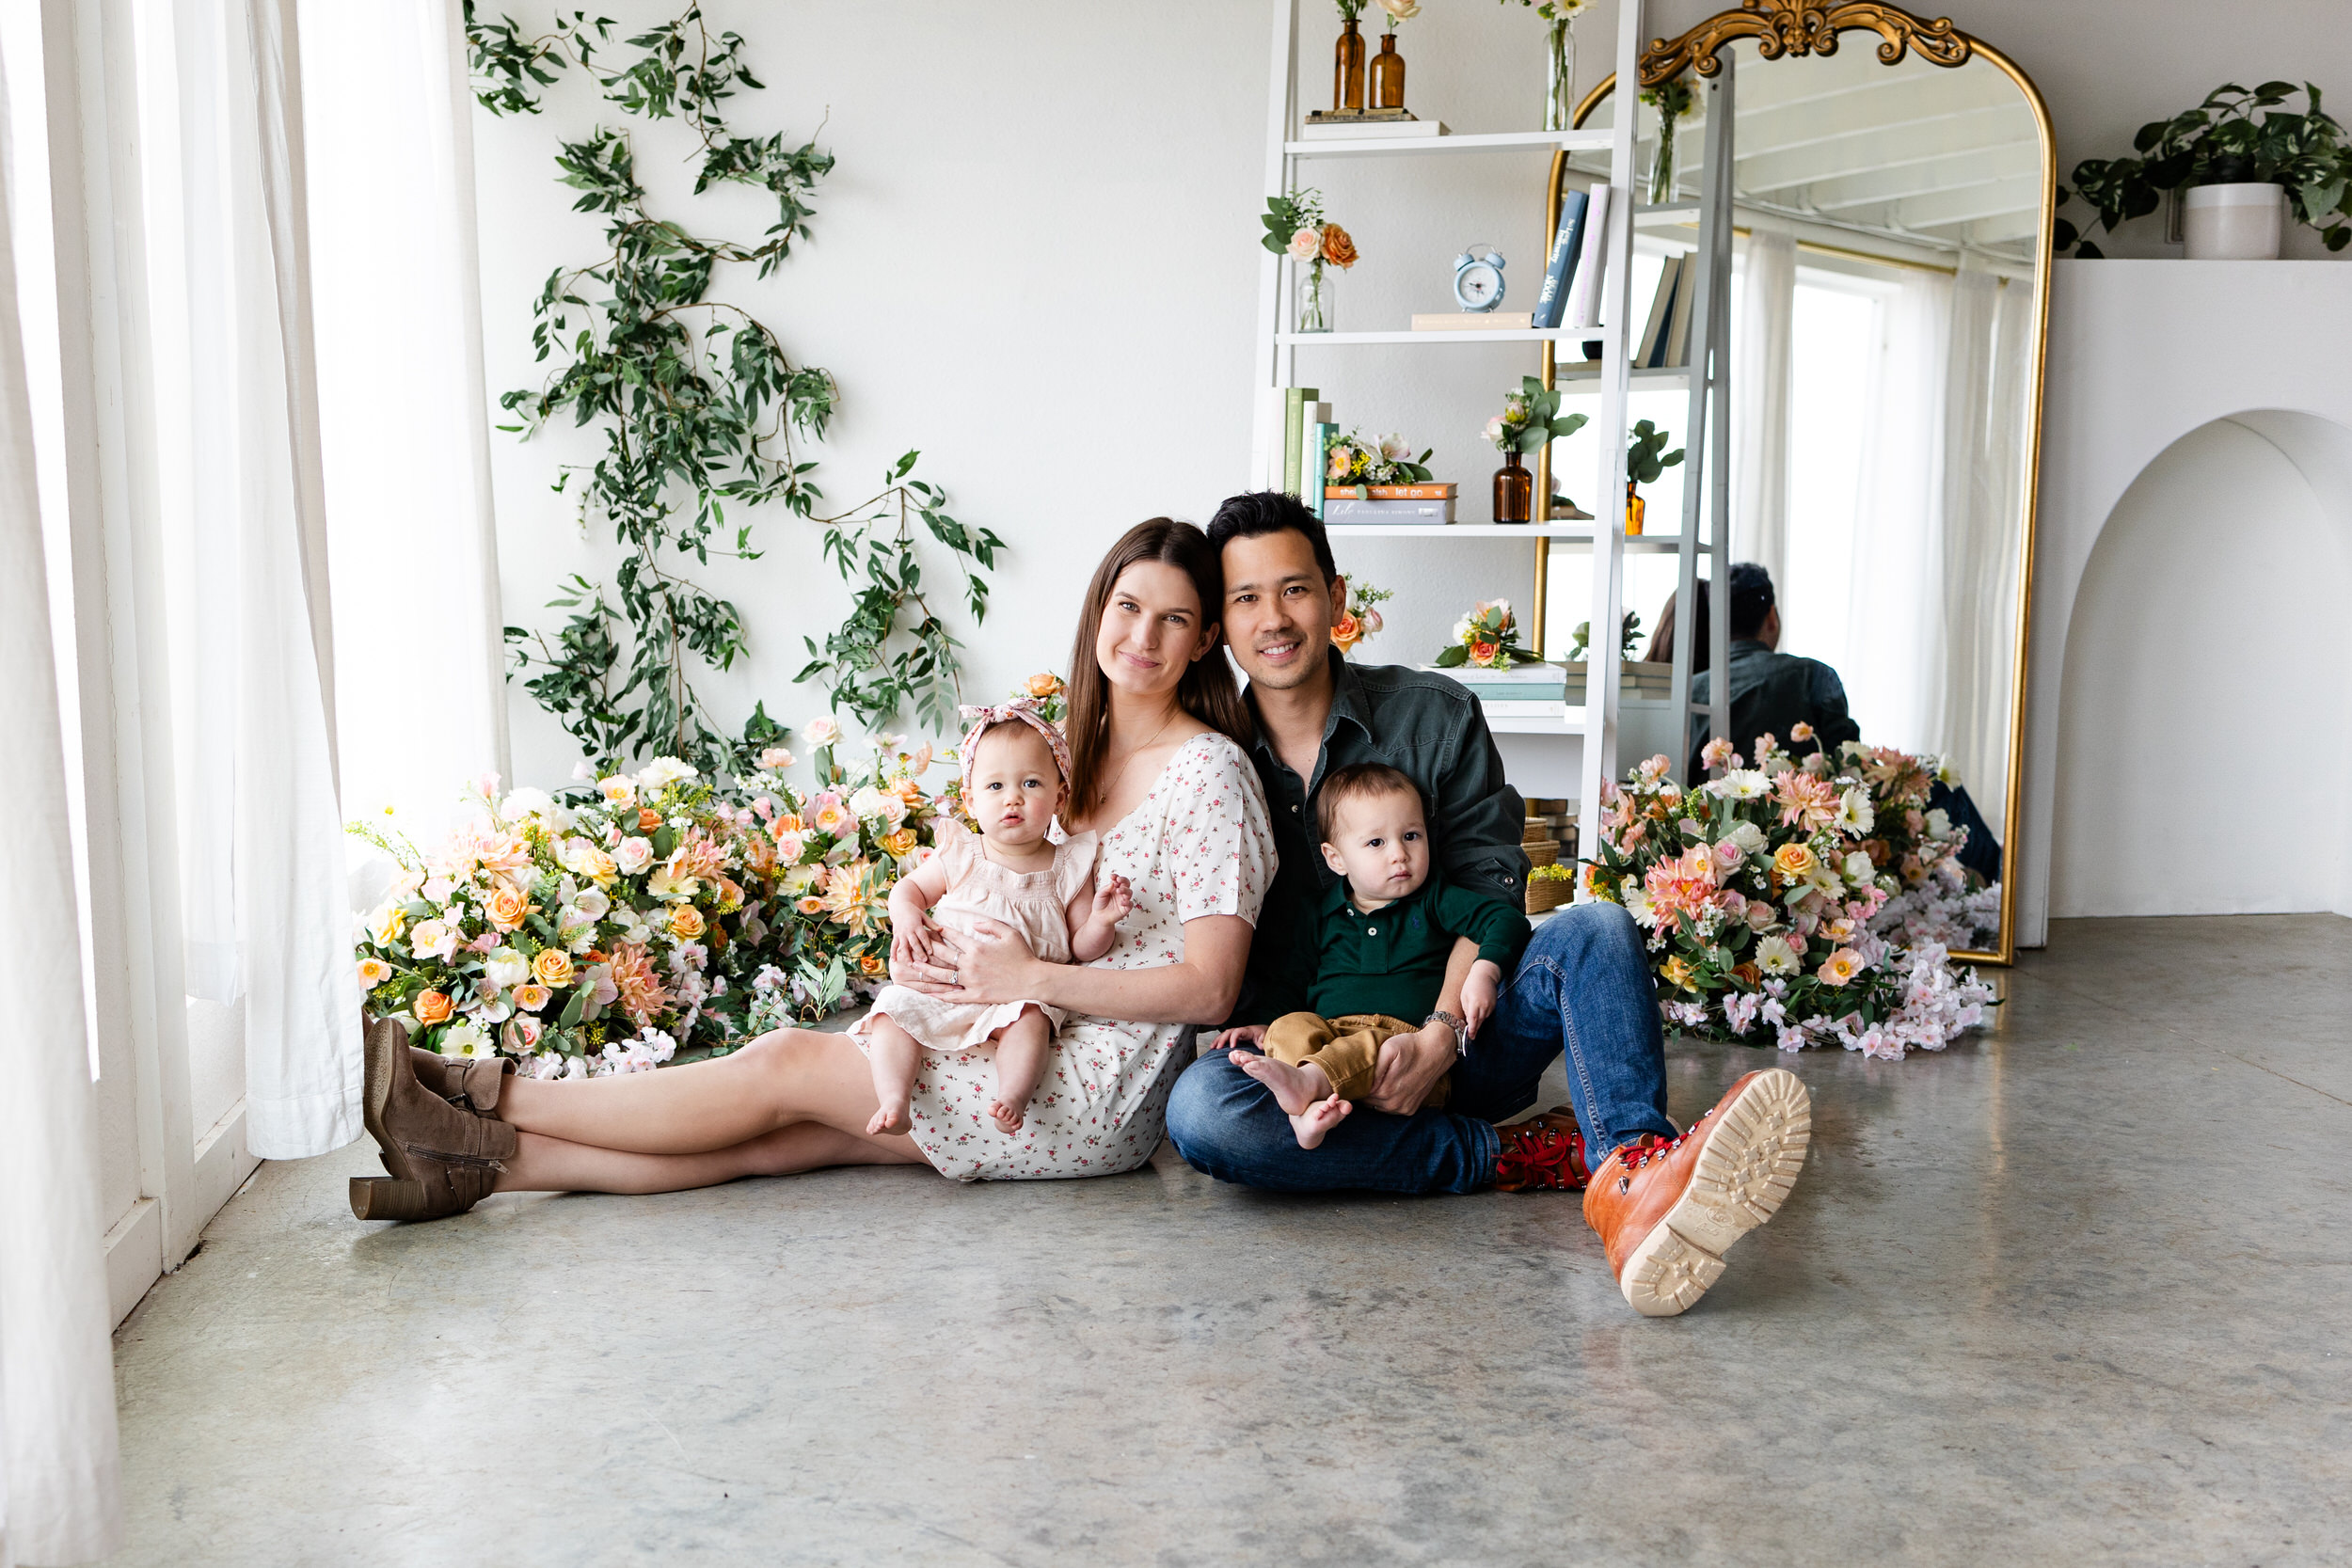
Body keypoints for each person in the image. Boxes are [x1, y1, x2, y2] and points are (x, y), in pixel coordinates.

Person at [350, 517, 1274, 1217]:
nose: (1142, 636)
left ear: (1203, 642)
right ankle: (464, 1169)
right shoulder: (1074, 750)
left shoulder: (1209, 773)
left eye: (1174, 619)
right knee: (780, 1136)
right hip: (993, 1028)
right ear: (1098, 609)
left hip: (1075, 1087)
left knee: (785, 1063)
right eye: (1127, 607)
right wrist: (938, 947)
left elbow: (1207, 988)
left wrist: (1029, 976)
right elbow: (1008, 890)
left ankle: (482, 1092)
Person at [1167, 491, 1813, 1318]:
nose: (1275, 618)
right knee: (1205, 1113)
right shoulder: (1204, 756)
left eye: (1294, 588)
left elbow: (1489, 888)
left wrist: (1438, 1037)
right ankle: (1511, 1156)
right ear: (1219, 621)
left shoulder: (1432, 715)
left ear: (1335, 594)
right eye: (1246, 597)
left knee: (1598, 928)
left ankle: (1630, 1170)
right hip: (1316, 1067)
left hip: (1466, 1032)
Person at [1211, 762, 1529, 1149]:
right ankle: (1305, 1116)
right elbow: (1292, 980)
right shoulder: (1319, 913)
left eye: (1411, 835)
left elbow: (1504, 918)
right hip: (1330, 1037)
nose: (1400, 854)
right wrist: (1263, 1023)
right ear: (1336, 858)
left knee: (1366, 1045)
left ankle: (1306, 1089)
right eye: (1376, 843)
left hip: (1405, 1051)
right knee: (1288, 1027)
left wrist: (1484, 970)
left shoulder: (1433, 899)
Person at [853, 703, 1133, 1138]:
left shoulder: (1068, 866)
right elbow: (908, 890)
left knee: (1031, 1024)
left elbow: (1082, 946)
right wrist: (907, 916)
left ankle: (1012, 1097)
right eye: (996, 785)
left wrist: (1102, 919)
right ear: (970, 800)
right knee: (892, 1011)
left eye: (1032, 783)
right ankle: (894, 1098)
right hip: (944, 985)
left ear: (1059, 797)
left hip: (1015, 997)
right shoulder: (962, 853)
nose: (1013, 797)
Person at [1691, 562, 2002, 881]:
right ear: (1771, 617)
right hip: (1814, 834)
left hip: (1715, 846)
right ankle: (2003, 890)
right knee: (1933, 780)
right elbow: (1849, 765)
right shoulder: (1813, 674)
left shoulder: (1692, 688)